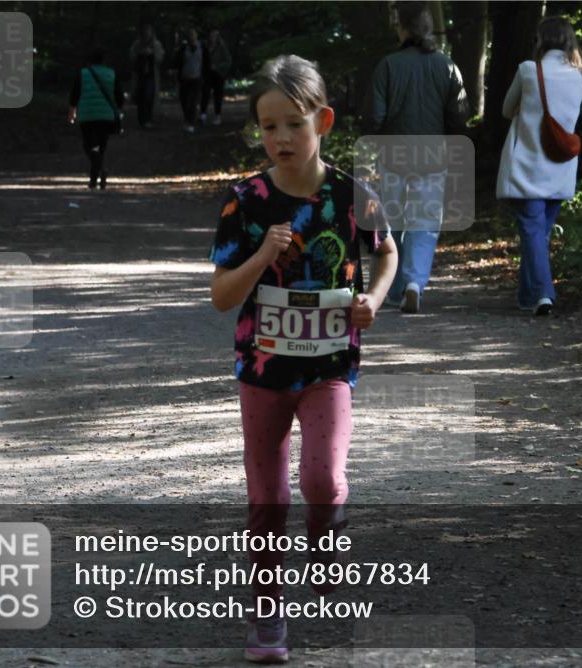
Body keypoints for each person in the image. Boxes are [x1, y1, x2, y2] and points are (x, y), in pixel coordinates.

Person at [209, 55, 396, 663]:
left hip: (328, 367)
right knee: (267, 502)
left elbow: (387, 253)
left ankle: (326, 543)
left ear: (324, 121)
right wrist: (263, 255)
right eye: (268, 127)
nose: (282, 138)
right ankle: (268, 622)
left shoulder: (351, 194)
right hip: (262, 372)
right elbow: (220, 297)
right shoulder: (246, 201)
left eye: (294, 123)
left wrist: (373, 297)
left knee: (323, 481)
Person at [365, 1, 469, 314]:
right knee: (424, 224)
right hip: (432, 157)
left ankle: (393, 289)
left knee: (393, 221)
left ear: (403, 29)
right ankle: (414, 282)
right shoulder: (447, 66)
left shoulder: (388, 65)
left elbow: (375, 117)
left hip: (394, 156)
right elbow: (459, 117)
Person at [496, 16, 582, 316]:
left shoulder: (528, 71)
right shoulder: (578, 76)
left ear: (541, 39)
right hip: (560, 168)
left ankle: (544, 294)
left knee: (533, 233)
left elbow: (507, 109)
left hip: (527, 168)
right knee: (538, 234)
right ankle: (527, 295)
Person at [68, 47, 124, 191]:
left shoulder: (83, 73)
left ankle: (96, 174)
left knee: (89, 145)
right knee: (102, 145)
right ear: (104, 60)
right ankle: (96, 176)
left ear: (89, 60)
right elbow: (119, 97)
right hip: (106, 115)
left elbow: (75, 93)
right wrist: (118, 109)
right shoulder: (111, 74)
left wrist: (72, 111)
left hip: (87, 115)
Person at [128, 24, 164, 129]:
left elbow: (160, 58)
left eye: (149, 31)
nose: (147, 34)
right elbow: (131, 56)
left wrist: (151, 54)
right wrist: (140, 53)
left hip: (151, 76)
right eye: (145, 32)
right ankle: (142, 119)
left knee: (149, 97)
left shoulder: (156, 44)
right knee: (141, 97)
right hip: (140, 75)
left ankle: (147, 119)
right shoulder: (137, 44)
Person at [173, 28, 204, 132]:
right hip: (185, 78)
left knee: (193, 101)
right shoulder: (183, 48)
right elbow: (177, 61)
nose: (191, 37)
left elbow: (206, 63)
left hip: (197, 78)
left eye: (193, 35)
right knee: (184, 100)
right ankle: (187, 118)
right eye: (190, 35)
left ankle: (191, 122)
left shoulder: (202, 48)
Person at [200, 28, 232, 126]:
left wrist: (217, 66)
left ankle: (217, 115)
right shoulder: (206, 47)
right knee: (205, 93)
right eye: (211, 36)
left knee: (217, 96)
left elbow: (228, 62)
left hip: (218, 75)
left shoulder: (222, 48)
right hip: (208, 74)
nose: (212, 38)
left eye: (215, 36)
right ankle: (203, 115)